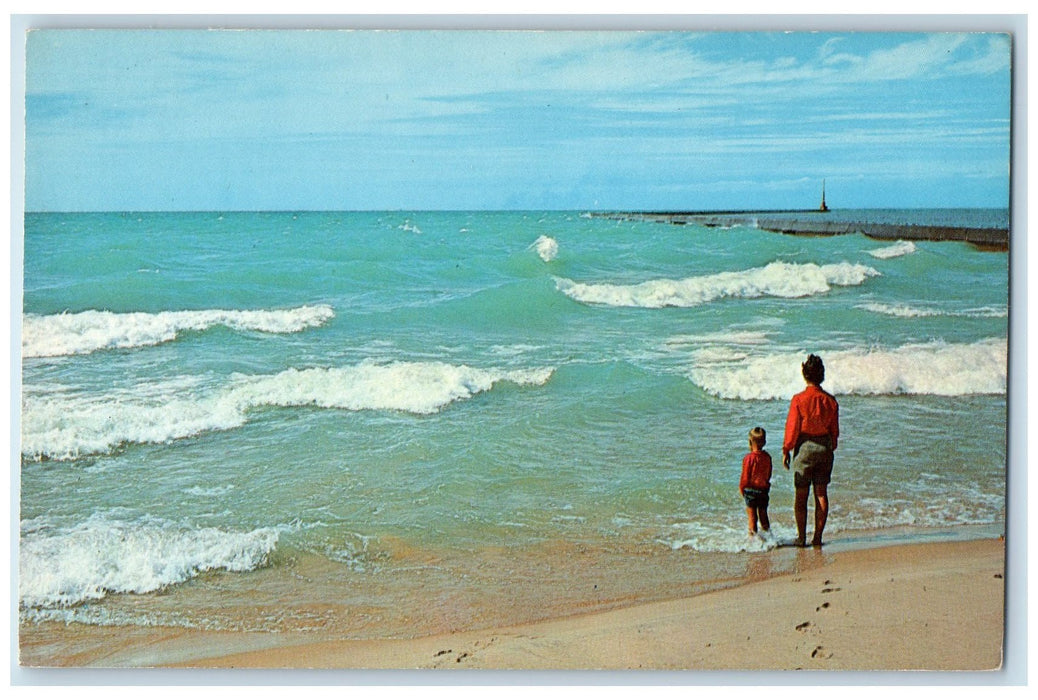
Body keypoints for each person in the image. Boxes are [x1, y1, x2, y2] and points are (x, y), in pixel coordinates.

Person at [783, 354, 839, 547]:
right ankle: (818, 537)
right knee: (821, 494)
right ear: (821, 375)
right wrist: (831, 445)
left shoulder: (798, 400)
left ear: (804, 374)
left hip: (805, 447)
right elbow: (835, 432)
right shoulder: (830, 401)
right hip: (824, 447)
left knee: (801, 495)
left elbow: (793, 429)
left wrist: (786, 449)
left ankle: (801, 537)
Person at [740, 426, 772, 539]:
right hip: (763, 490)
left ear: (750, 442)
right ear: (764, 442)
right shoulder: (767, 457)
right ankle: (769, 538)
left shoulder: (748, 458)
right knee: (763, 515)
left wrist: (742, 489)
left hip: (750, 490)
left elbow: (745, 477)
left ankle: (752, 541)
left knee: (752, 517)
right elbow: (768, 474)